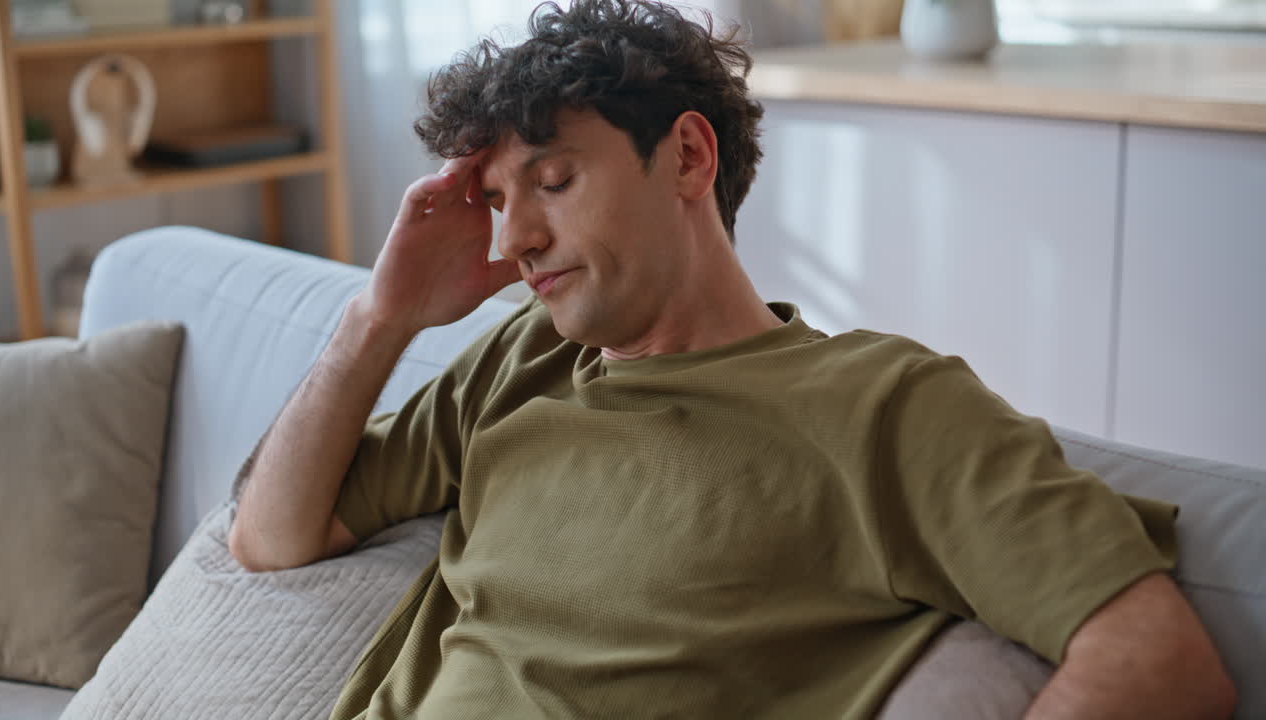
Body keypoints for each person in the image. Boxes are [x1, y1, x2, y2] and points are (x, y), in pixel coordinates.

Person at [227, 1, 1236, 718]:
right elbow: (269, 537)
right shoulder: (518, 364)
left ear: (688, 159)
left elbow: (1157, 664)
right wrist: (379, 317)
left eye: (553, 180)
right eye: (495, 199)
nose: (509, 241)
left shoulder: (882, 405)